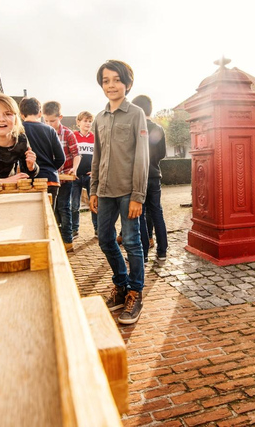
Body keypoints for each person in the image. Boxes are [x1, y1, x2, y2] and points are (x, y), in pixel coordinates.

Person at [90, 60, 148, 325]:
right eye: (106, 80)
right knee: (104, 239)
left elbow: (141, 158)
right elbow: (96, 157)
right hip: (104, 191)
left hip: (128, 192)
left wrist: (138, 195)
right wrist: (93, 189)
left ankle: (135, 293)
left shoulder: (136, 114)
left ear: (127, 83)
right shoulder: (99, 118)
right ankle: (121, 285)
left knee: (134, 243)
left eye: (116, 80)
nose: (111, 85)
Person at [19, 97, 67, 243]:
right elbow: (61, 158)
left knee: (28, 221)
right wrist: (50, 168)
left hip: (27, 181)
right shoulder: (50, 130)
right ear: (40, 113)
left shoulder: (19, 130)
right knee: (48, 219)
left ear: (21, 115)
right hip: (50, 180)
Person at [131, 95, 168, 263]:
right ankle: (162, 251)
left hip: (139, 177)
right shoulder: (158, 128)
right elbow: (162, 153)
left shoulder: (135, 127)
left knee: (140, 215)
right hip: (154, 175)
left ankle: (144, 253)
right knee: (157, 213)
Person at [42, 101, 80, 250]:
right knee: (53, 209)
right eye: (46, 121)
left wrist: (75, 169)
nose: (49, 124)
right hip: (50, 179)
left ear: (60, 117)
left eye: (52, 121)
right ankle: (55, 239)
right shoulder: (43, 133)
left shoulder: (68, 133)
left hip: (65, 178)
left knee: (64, 207)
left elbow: (76, 154)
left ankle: (67, 241)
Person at [71, 111, 97, 238]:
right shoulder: (73, 136)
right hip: (75, 176)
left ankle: (98, 229)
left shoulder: (95, 137)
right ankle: (74, 230)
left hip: (90, 176)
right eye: (85, 121)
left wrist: (95, 171)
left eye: (90, 121)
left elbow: (100, 156)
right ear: (78, 122)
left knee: (94, 203)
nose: (87, 124)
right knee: (74, 205)